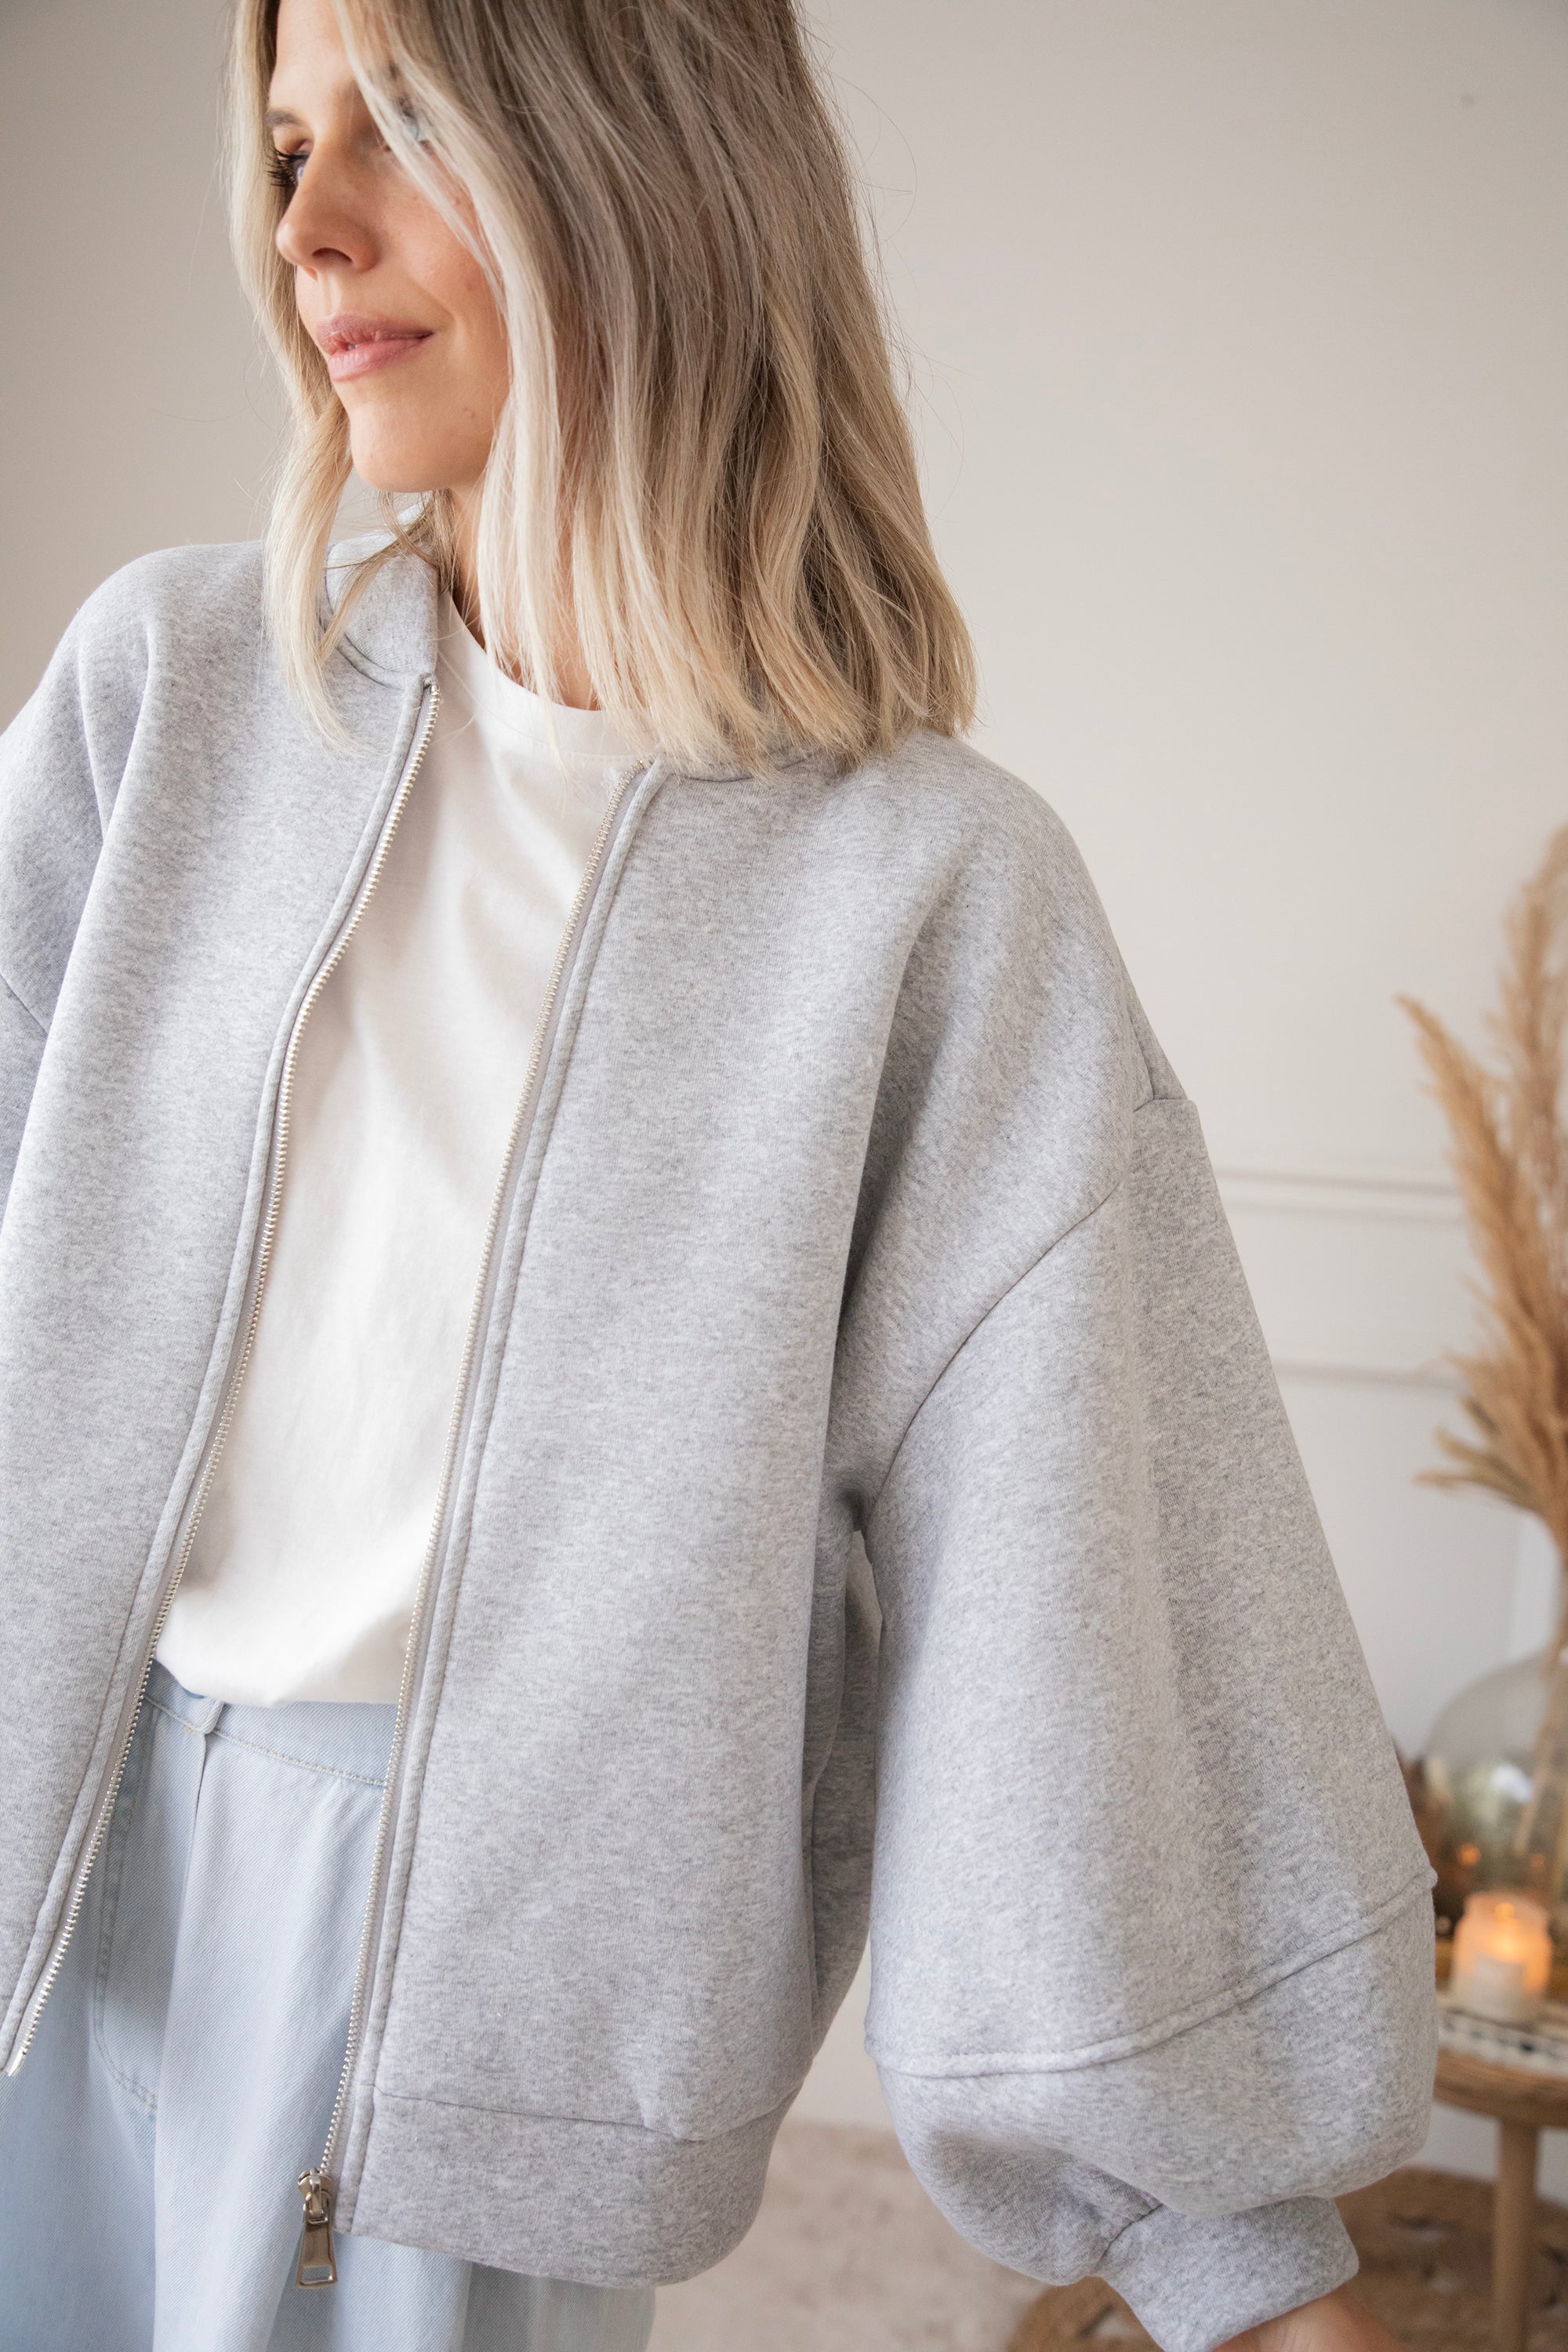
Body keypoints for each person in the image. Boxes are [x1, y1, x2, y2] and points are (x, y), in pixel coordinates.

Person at [0, 1, 1436, 2348]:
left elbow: (1072, 1593)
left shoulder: (930, 900)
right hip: (44, 1892)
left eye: (404, 124)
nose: (307, 230)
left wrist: (1235, 2248)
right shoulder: (164, 700)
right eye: (283, 146)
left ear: (637, 155)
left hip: (482, 2034)